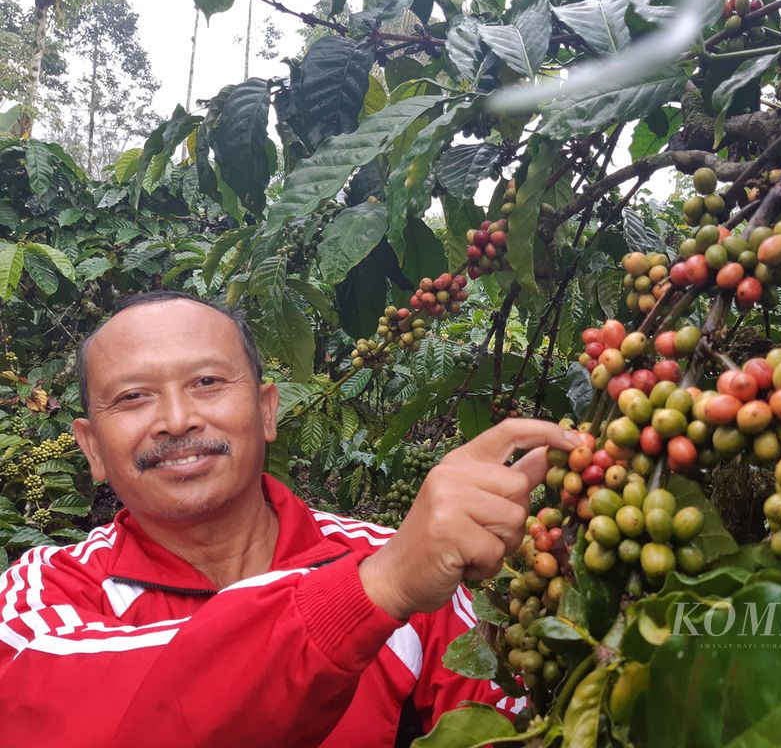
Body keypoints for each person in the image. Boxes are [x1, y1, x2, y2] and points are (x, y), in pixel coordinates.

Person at [0, 291, 580, 747]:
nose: (176, 420)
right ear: (92, 448)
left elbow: (512, 725)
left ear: (267, 409)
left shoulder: (405, 574)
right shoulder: (44, 593)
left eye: (206, 382)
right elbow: (82, 715)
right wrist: (377, 589)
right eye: (132, 397)